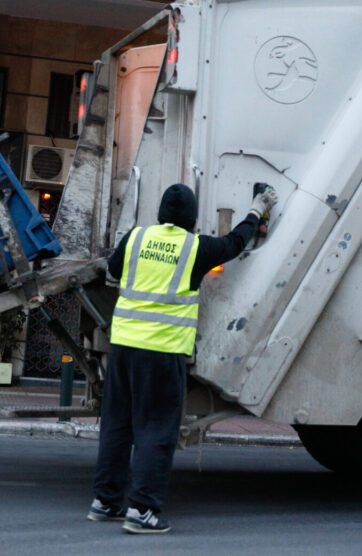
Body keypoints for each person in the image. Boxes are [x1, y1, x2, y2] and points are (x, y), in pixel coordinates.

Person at [88, 182, 278, 534]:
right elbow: (236, 243)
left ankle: (105, 501)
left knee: (117, 425)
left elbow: (112, 272)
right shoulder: (195, 248)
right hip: (162, 352)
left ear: (160, 213)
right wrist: (256, 209)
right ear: (192, 219)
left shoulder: (136, 238)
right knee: (156, 430)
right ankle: (142, 510)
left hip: (123, 348)